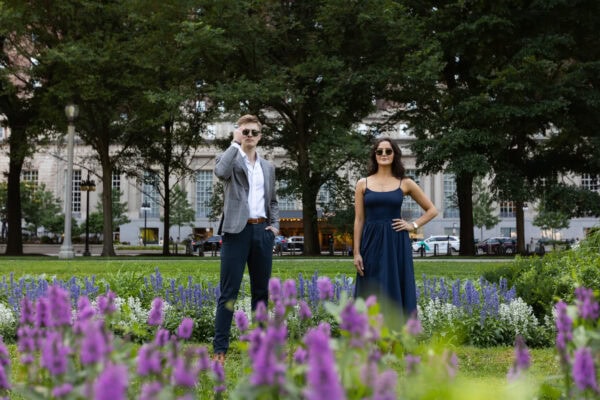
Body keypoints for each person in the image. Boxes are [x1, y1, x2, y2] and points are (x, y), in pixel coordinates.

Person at [212, 114, 279, 365]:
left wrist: (274, 227)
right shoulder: (230, 160)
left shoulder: (268, 167)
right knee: (228, 292)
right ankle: (220, 348)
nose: (249, 136)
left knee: (261, 292)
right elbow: (219, 172)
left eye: (253, 132)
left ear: (260, 137)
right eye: (245, 131)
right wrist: (234, 144)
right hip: (235, 232)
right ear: (238, 133)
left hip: (262, 233)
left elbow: (272, 200)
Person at [353, 137, 437, 322]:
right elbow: (359, 220)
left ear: (394, 155)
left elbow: (432, 210)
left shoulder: (404, 183)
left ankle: (396, 336)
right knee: (371, 285)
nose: (384, 154)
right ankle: (369, 337)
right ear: (374, 155)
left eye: (388, 151)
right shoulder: (362, 184)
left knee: (395, 284)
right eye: (379, 151)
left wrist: (412, 225)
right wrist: (356, 252)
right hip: (371, 242)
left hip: (396, 241)